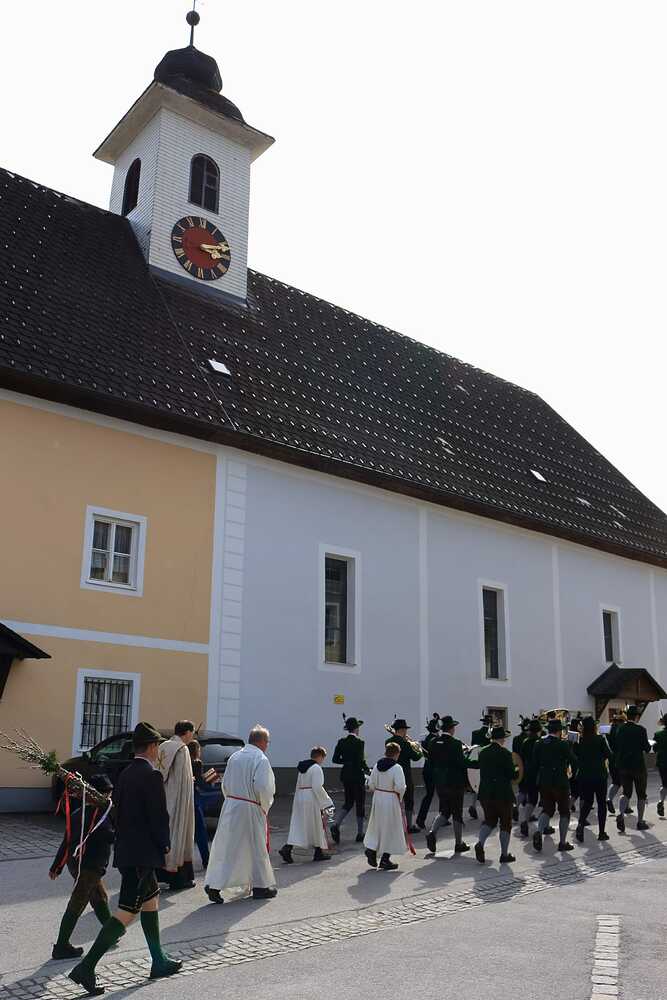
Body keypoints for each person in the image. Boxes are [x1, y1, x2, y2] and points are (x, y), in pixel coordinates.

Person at [68, 722, 181, 996]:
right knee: (127, 911)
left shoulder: (125, 773)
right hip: (143, 854)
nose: (158, 750)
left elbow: (116, 813)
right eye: (158, 746)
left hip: (128, 851)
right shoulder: (151, 775)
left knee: (151, 901)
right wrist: (165, 844)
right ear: (152, 747)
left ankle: (158, 960)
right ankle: (86, 967)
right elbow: (158, 816)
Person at [204, 724, 276, 904]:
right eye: (267, 742)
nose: (268, 745)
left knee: (228, 848)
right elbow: (263, 787)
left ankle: (214, 884)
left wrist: (231, 801)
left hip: (231, 805)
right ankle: (260, 886)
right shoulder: (260, 759)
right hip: (250, 807)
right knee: (256, 848)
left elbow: (225, 784)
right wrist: (264, 806)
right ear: (261, 742)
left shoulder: (235, 757)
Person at [50, 775, 115, 961]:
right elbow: (108, 836)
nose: (110, 796)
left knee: (99, 896)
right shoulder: (99, 815)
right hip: (88, 866)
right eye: (107, 793)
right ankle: (61, 946)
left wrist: (57, 866)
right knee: (78, 902)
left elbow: (66, 841)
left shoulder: (80, 813)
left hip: (79, 864)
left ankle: (111, 932)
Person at [471, 726, 519, 864]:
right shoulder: (505, 753)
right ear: (502, 739)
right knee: (505, 823)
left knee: (489, 821)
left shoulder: (483, 752)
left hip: (485, 793)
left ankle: (480, 843)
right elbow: (512, 775)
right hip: (502, 793)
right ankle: (504, 854)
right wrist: (517, 768)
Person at [156, 721, 195, 891]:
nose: (192, 736)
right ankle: (178, 879)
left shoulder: (164, 746)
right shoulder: (182, 749)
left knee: (166, 834)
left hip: (164, 796)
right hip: (179, 800)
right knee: (179, 835)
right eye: (192, 732)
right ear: (187, 732)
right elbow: (183, 779)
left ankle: (160, 873)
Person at [279, 746, 333, 864]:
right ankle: (318, 852)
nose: (323, 761)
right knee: (315, 824)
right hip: (311, 798)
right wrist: (327, 802)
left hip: (301, 796)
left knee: (300, 825)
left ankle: (288, 848)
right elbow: (317, 787)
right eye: (323, 758)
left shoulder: (302, 769)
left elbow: (298, 785)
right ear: (320, 756)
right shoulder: (316, 768)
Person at [532, 718, 578, 853]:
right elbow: (573, 760)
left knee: (547, 809)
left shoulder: (539, 743)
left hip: (544, 781)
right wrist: (574, 774)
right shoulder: (562, 744)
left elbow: (534, 763)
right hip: (560, 782)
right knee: (564, 811)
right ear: (559, 731)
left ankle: (539, 831)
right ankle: (562, 843)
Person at [425, 715, 470, 855]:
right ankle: (458, 843)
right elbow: (461, 763)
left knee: (445, 810)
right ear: (451, 729)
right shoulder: (456, 743)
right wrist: (467, 756)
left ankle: (432, 832)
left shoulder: (433, 742)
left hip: (440, 782)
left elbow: (430, 762)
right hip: (455, 782)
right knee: (457, 812)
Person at [364, 742, 407, 871]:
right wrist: (400, 796)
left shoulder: (377, 765)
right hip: (390, 799)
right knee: (391, 828)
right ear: (397, 754)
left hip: (378, 798)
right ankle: (385, 859)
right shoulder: (397, 768)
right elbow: (400, 787)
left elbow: (371, 784)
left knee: (377, 826)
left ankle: (371, 850)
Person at [331, 716, 370, 844]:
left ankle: (336, 824)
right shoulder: (360, 742)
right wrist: (368, 770)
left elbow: (335, 759)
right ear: (356, 729)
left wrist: (347, 761)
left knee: (348, 802)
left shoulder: (341, 742)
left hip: (346, 775)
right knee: (360, 803)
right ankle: (360, 833)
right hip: (357, 775)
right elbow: (360, 761)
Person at [614, 705, 651, 832]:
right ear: (636, 717)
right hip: (638, 766)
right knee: (641, 794)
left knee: (626, 793)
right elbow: (647, 748)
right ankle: (640, 822)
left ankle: (621, 814)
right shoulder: (641, 730)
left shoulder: (620, 729)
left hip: (624, 765)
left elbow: (617, 745)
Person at [573, 717, 611, 842]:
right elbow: (609, 754)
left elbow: (574, 755)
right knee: (601, 804)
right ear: (594, 727)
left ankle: (580, 824)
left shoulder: (579, 740)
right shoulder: (600, 739)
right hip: (599, 775)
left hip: (584, 775)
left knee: (587, 802)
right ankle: (601, 833)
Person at [386, 718, 423, 833]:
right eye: (405, 729)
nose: (406, 732)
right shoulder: (405, 743)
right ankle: (409, 825)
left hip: (390, 774)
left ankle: (393, 825)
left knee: (394, 800)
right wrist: (419, 749)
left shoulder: (388, 741)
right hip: (404, 774)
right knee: (409, 800)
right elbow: (415, 757)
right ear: (402, 730)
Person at [187, 739, 215, 870]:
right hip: (194, 800)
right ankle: (206, 860)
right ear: (197, 750)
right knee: (200, 831)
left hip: (184, 799)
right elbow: (200, 782)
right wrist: (211, 783)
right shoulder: (197, 763)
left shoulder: (185, 761)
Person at [518, 718, 543, 836]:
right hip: (539, 773)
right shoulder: (540, 742)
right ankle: (544, 825)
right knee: (544, 799)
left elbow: (521, 758)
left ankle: (524, 819)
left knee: (531, 798)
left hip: (527, 772)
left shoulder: (525, 742)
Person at [416, 714, 440, 830]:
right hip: (435, 770)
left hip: (427, 769)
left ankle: (421, 819)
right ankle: (442, 817)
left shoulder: (426, 739)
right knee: (441, 794)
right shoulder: (435, 740)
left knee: (429, 795)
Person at [468, 713, 493, 819]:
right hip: (488, 762)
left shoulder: (475, 733)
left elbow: (473, 748)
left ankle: (473, 805)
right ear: (490, 723)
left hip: (476, 761)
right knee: (487, 785)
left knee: (475, 784)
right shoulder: (491, 733)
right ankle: (487, 809)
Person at [606, 711, 627, 814]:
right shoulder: (622, 730)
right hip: (622, 759)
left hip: (612, 758)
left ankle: (609, 799)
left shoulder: (609, 730)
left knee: (615, 782)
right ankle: (625, 807)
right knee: (625, 783)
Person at [654, 713, 667, 817]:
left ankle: (661, 801)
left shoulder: (658, 734)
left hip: (662, 762)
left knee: (664, 784)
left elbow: (655, 749)